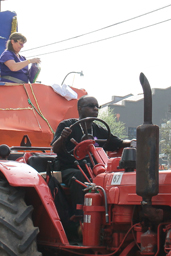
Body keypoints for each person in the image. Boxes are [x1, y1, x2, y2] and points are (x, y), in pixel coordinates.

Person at [52, 96, 129, 237]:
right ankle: (80, 218)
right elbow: (55, 149)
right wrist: (63, 137)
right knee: (79, 176)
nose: (95, 109)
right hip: (70, 167)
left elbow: (117, 142)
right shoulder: (67, 126)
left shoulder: (98, 130)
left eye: (97, 106)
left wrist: (135, 142)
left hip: (94, 169)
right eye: (91, 106)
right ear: (80, 108)